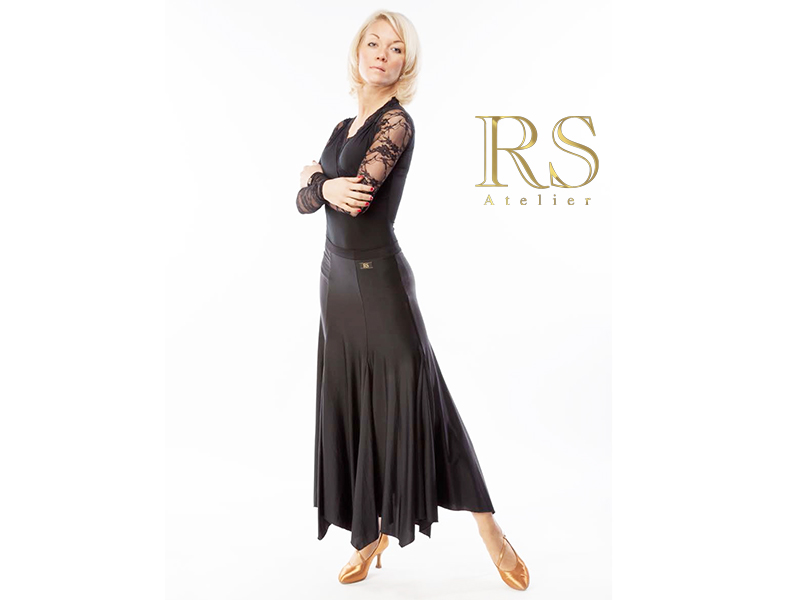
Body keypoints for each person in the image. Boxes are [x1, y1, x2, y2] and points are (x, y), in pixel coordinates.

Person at [295, 10, 529, 591]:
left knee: (423, 402)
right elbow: (305, 202)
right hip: (334, 284)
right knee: (354, 406)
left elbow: (357, 197)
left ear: (407, 62)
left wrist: (318, 182)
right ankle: (368, 535)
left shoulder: (397, 123)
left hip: (379, 283)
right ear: (357, 51)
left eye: (395, 48)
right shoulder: (342, 127)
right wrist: (319, 185)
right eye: (373, 43)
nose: (382, 54)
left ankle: (491, 530)